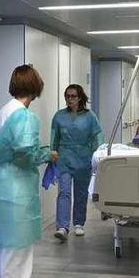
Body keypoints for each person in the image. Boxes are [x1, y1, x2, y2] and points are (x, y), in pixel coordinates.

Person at [0, 65, 58, 278]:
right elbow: (27, 152)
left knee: (6, 255)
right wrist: (48, 153)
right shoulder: (26, 117)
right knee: (18, 259)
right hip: (15, 191)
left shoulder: (3, 111)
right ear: (36, 86)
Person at [51, 84, 104, 241]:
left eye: (73, 96)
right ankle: (62, 227)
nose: (69, 99)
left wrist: (99, 157)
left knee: (81, 193)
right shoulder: (59, 116)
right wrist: (52, 156)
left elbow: (98, 136)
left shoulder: (90, 116)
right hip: (64, 159)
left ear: (80, 97)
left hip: (83, 159)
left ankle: (79, 223)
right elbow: (54, 137)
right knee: (64, 192)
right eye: (67, 96)